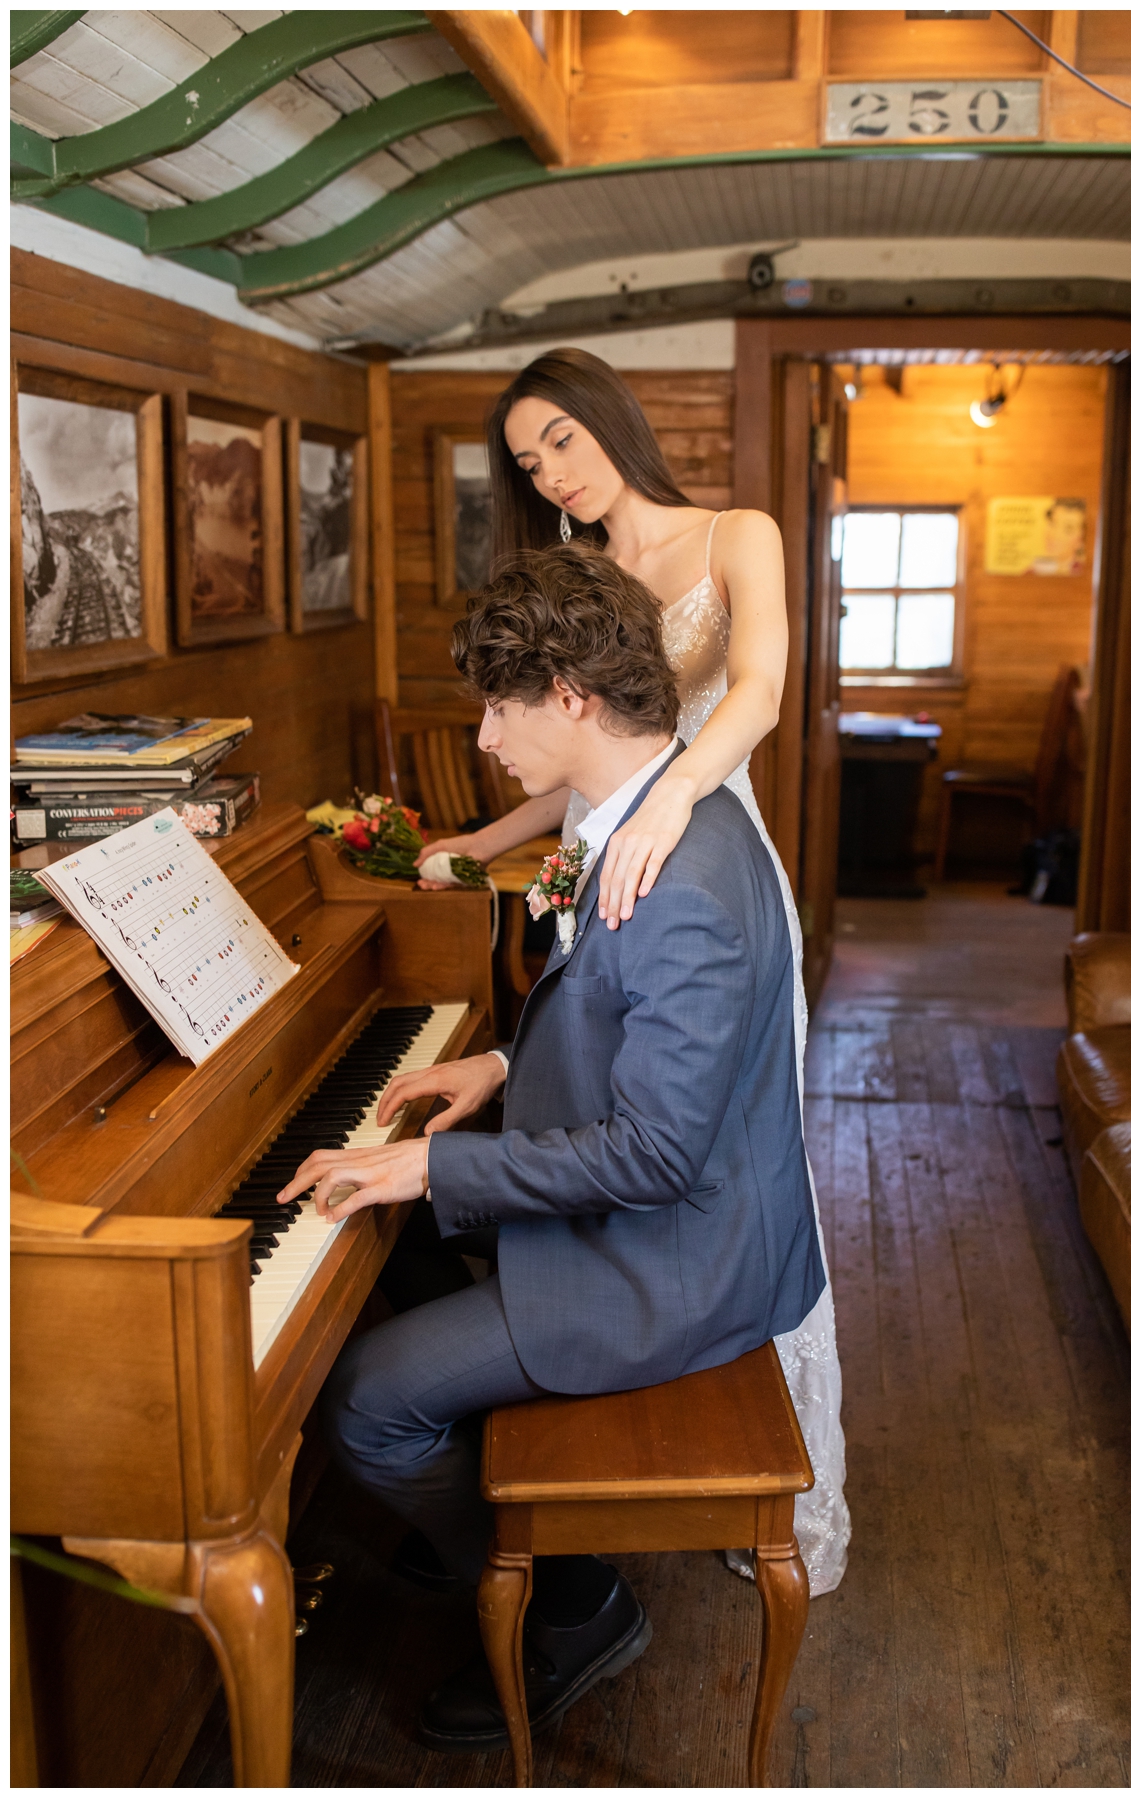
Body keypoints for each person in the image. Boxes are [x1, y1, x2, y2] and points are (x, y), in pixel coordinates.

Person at [285, 546, 825, 1748]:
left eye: (497, 705)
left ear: (571, 699)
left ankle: (574, 1602)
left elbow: (654, 1158)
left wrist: (434, 1164)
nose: (483, 737)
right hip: (672, 1209)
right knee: (391, 1239)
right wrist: (494, 1069)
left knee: (368, 1403)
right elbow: (607, 1010)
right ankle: (488, 1506)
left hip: (678, 1258)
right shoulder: (633, 808)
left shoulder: (685, 875)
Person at [416, 348, 849, 1594]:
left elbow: (758, 687)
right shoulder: (580, 579)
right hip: (605, 842)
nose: (549, 468)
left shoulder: (736, 532)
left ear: (609, 419)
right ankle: (595, 1306)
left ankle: (776, 1451)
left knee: (741, 1138)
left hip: (696, 841)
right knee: (586, 1076)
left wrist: (672, 801)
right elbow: (565, 753)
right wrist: (479, 845)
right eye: (528, 458)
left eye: (558, 436)